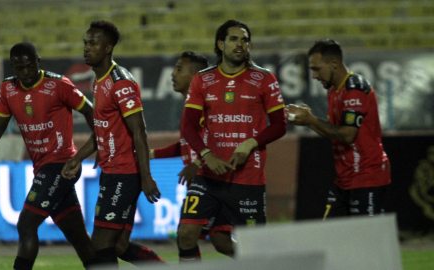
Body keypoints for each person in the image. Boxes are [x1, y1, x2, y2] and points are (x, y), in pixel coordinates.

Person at [0, 42, 96, 270]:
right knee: (78, 236)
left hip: (63, 165)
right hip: (43, 167)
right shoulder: (8, 90)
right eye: (19, 68)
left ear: (38, 62)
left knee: (26, 224)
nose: (25, 72)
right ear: (13, 67)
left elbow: (91, 112)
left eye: (29, 66)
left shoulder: (58, 85)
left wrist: (93, 149)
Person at [178, 20, 287, 262]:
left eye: (245, 39)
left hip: (247, 177)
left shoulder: (264, 79)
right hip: (209, 176)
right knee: (186, 234)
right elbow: (188, 126)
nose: (240, 44)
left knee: (254, 249)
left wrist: (249, 144)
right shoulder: (202, 79)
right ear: (221, 44)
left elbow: (280, 125)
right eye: (234, 39)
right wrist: (207, 155)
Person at [61, 20, 163, 267]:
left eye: (93, 43)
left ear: (108, 48)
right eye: (86, 42)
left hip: (125, 173)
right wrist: (77, 158)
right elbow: (101, 130)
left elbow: (139, 130)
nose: (87, 48)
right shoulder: (98, 81)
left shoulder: (121, 82)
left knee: (100, 244)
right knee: (119, 246)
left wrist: (147, 176)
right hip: (112, 171)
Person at [286, 39, 391, 218]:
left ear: (334, 63)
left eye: (316, 69)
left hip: (366, 178)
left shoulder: (354, 89)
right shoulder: (334, 90)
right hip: (345, 179)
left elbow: (348, 135)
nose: (314, 76)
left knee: (367, 242)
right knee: (332, 238)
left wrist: (311, 120)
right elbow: (335, 131)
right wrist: (309, 121)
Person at [150, 51, 234, 257]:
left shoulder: (208, 103)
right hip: (211, 180)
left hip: (210, 179)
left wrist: (196, 164)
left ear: (196, 76)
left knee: (186, 234)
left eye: (179, 69)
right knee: (221, 242)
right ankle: (273, 262)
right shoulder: (191, 105)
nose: (172, 74)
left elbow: (220, 138)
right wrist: (151, 154)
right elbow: (188, 144)